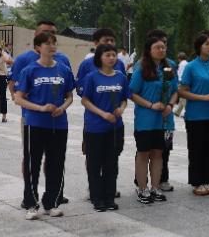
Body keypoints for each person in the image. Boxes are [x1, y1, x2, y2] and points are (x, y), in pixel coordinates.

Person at [9, 22, 73, 207]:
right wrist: (35, 106)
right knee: (32, 159)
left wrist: (62, 107)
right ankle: (30, 197)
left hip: (57, 120)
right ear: (36, 36)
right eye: (46, 34)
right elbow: (14, 87)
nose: (51, 40)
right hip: (32, 119)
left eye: (53, 35)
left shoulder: (63, 61)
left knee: (55, 159)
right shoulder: (24, 60)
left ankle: (53, 196)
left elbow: (68, 93)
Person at [80, 44, 129, 211]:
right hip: (96, 127)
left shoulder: (121, 77)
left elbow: (124, 98)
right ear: (100, 58)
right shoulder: (92, 77)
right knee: (94, 163)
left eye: (114, 55)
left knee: (111, 163)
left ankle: (109, 197)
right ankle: (97, 198)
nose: (111, 58)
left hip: (115, 127)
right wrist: (102, 114)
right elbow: (85, 100)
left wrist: (121, 109)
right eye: (107, 55)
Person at [128, 36, 177, 204]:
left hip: (163, 120)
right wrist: (150, 105)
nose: (161, 50)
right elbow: (131, 93)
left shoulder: (168, 68)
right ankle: (142, 188)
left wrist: (170, 105)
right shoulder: (142, 68)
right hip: (145, 119)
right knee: (143, 153)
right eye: (157, 47)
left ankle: (155, 187)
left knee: (158, 153)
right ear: (149, 50)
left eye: (163, 47)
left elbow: (175, 90)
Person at [179, 31, 209, 196]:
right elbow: (182, 91)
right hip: (196, 115)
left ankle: (208, 179)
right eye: (206, 44)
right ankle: (197, 182)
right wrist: (203, 97)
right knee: (197, 149)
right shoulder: (191, 67)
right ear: (199, 47)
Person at [75, 28, 127, 93]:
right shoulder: (86, 64)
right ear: (96, 43)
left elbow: (124, 87)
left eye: (112, 40)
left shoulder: (120, 64)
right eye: (106, 40)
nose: (110, 43)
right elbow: (80, 87)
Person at [175, 52, 188, 117]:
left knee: (183, 97)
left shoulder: (181, 64)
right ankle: (178, 112)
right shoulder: (187, 63)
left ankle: (187, 112)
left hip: (182, 82)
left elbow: (179, 74)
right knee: (183, 98)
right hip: (187, 82)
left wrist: (178, 82)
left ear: (179, 58)